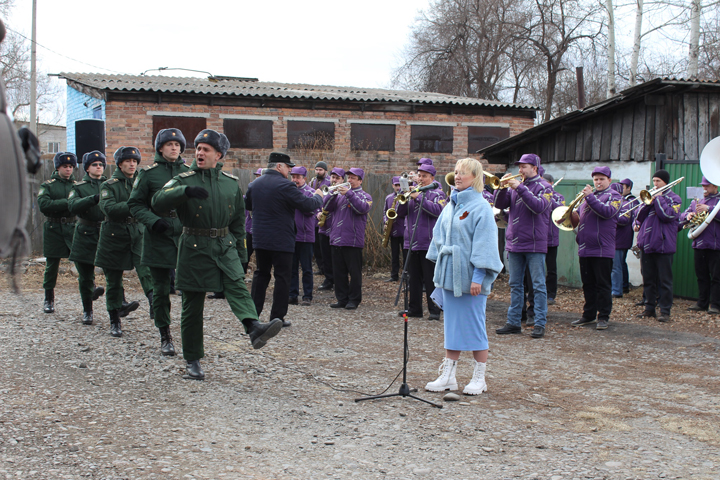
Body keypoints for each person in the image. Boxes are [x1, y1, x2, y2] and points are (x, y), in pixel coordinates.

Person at [153, 129, 283, 380]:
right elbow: (157, 202)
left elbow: (237, 221)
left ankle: (253, 326)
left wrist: (242, 253)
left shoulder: (230, 183)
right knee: (193, 306)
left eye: (206, 149)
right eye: (198, 148)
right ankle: (193, 359)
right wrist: (184, 192)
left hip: (224, 245)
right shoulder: (184, 178)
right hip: (193, 246)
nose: (200, 153)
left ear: (219, 155)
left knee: (236, 286)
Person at [424, 158, 504, 394]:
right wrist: (440, 265)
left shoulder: (481, 208)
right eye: (456, 172)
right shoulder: (450, 205)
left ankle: (480, 377)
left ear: (475, 177)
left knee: (474, 326)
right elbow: (439, 235)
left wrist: (479, 276)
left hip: (470, 280)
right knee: (452, 326)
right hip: (449, 275)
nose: (457, 176)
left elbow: (486, 244)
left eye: (464, 173)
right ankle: (449, 375)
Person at [128, 128, 189, 355]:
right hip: (158, 236)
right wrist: (153, 221)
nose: (174, 148)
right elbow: (135, 205)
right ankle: (165, 334)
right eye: (169, 144)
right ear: (160, 148)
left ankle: (191, 336)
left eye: (178, 144)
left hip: (185, 237)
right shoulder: (149, 174)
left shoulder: (188, 172)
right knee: (162, 290)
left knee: (191, 289)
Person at [245, 152, 323, 327]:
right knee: (282, 277)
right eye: (288, 167)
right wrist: (319, 196)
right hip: (281, 240)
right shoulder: (286, 186)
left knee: (261, 275)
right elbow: (308, 205)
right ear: (279, 166)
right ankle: (277, 317)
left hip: (260, 238)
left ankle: (252, 315)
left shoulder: (254, 184)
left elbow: (248, 205)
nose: (289, 171)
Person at [94, 147, 154, 337]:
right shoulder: (109, 185)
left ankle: (155, 303)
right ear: (120, 164)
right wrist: (136, 205)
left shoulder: (141, 182)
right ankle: (114, 319)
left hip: (137, 231)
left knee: (146, 268)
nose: (132, 164)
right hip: (114, 233)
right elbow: (109, 208)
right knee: (113, 279)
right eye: (128, 161)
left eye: (135, 161)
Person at [493, 153, 552, 339]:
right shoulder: (514, 187)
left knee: (538, 285)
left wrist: (520, 188)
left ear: (534, 168)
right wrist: (502, 189)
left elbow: (539, 207)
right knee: (515, 285)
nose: (520, 170)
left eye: (524, 167)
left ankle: (540, 323)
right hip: (515, 243)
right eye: (519, 167)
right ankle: (513, 322)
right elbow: (499, 204)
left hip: (535, 244)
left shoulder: (545, 187)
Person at [569, 167, 622, 330]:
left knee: (603, 284)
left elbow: (607, 212)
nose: (598, 182)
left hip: (602, 248)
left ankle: (603, 316)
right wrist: (569, 213)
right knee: (588, 284)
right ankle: (588, 315)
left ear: (609, 181)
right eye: (596, 179)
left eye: (601, 179)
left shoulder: (615, 196)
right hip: (585, 247)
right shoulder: (586, 199)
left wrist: (590, 197)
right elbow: (578, 218)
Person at [395, 164, 446, 320]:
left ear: (432, 178)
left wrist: (419, 199)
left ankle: (435, 310)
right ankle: (415, 309)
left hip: (429, 243)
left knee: (431, 278)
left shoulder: (438, 193)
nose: (421, 179)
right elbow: (400, 213)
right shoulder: (413, 192)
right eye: (420, 175)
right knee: (413, 278)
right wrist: (404, 198)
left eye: (424, 176)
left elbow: (438, 211)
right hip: (411, 242)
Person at [634, 169, 681, 322]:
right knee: (648, 278)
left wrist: (659, 200)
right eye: (654, 181)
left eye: (658, 181)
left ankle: (665, 311)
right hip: (647, 244)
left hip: (663, 245)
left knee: (664, 280)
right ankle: (649, 309)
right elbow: (639, 216)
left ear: (665, 182)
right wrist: (647, 203)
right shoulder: (651, 197)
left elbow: (668, 216)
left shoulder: (675, 199)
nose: (655, 184)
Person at [68, 151, 108, 325]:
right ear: (87, 168)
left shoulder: (110, 185)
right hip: (85, 231)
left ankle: (118, 306)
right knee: (85, 273)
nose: (98, 167)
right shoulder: (79, 187)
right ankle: (88, 311)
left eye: (100, 164)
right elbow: (73, 206)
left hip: (106, 232)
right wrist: (93, 199)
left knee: (112, 271)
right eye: (94, 164)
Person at [322, 167, 372, 309]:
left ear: (360, 181)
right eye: (348, 177)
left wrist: (349, 194)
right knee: (338, 272)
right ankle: (341, 299)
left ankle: (354, 300)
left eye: (353, 178)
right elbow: (326, 207)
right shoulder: (339, 195)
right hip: (336, 238)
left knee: (354, 273)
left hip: (353, 240)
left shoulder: (365, 196)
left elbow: (362, 208)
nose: (349, 180)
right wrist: (332, 194)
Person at [38, 152, 78, 314]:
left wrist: (68, 205)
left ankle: (89, 293)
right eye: (65, 167)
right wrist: (68, 203)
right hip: (53, 228)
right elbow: (44, 205)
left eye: (70, 167)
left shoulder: (76, 185)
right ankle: (48, 298)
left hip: (72, 227)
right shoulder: (48, 185)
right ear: (58, 167)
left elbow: (82, 204)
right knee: (52, 265)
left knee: (81, 262)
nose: (68, 170)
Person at [682, 176, 720, 313]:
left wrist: (709, 208)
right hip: (699, 244)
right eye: (703, 185)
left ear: (715, 186)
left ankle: (715, 305)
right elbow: (682, 215)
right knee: (701, 275)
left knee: (717, 277)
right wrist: (688, 216)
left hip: (716, 245)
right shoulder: (696, 201)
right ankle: (702, 303)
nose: (704, 188)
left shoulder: (718, 201)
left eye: (707, 186)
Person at [289, 166, 318, 307]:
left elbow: (312, 210)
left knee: (306, 268)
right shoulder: (288, 192)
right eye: (293, 177)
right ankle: (292, 295)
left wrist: (299, 201)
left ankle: (307, 296)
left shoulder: (311, 192)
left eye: (298, 177)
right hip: (290, 235)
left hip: (306, 235)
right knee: (291, 267)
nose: (295, 180)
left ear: (304, 178)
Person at [317, 168, 346, 291]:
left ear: (342, 180)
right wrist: (317, 213)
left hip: (336, 229)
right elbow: (318, 204)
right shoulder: (325, 189)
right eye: (333, 177)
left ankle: (339, 281)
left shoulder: (344, 192)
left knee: (337, 258)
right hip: (324, 227)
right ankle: (329, 279)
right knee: (325, 257)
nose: (334, 180)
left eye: (337, 178)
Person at [612, 178, 636, 297]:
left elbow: (625, 220)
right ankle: (621, 286)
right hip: (615, 238)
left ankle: (617, 289)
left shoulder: (628, 202)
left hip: (621, 238)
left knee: (617, 265)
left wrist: (609, 215)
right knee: (619, 264)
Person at [383, 176, 406, 283]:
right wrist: (385, 222)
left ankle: (406, 276)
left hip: (404, 229)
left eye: (399, 185)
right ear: (392, 186)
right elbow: (385, 212)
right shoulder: (388, 198)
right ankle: (394, 275)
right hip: (393, 229)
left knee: (406, 255)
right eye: (396, 185)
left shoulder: (405, 197)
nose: (398, 187)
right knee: (394, 254)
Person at [310, 161, 331, 275]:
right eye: (317, 169)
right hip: (313, 216)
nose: (318, 172)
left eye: (320, 170)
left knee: (323, 246)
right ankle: (320, 267)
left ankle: (326, 268)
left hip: (324, 216)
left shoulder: (328, 182)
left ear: (325, 171)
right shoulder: (312, 181)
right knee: (316, 246)